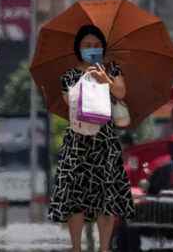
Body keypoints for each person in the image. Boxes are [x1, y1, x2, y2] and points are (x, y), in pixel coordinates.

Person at [48, 25, 135, 252]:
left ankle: (104, 248)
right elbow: (70, 102)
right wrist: (87, 80)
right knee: (75, 198)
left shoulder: (112, 70)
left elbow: (121, 92)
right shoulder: (70, 75)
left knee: (106, 198)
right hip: (78, 140)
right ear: (78, 47)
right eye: (87, 45)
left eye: (96, 45)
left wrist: (103, 77)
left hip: (104, 140)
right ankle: (76, 247)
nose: (92, 49)